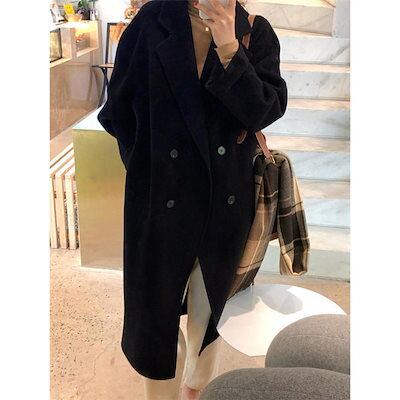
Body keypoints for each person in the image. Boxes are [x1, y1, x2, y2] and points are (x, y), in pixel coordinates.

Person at [97, 0, 287, 399]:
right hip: (160, 200)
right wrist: (146, 167)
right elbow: (117, 111)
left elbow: (266, 109)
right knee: (156, 316)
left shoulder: (255, 31)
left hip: (225, 203)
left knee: (209, 312)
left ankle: (195, 389)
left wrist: (230, 48)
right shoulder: (153, 21)